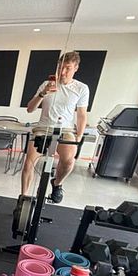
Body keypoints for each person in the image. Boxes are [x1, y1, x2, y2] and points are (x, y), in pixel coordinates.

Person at [20, 51, 88, 204]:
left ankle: (57, 184)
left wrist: (79, 136)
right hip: (43, 128)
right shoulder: (47, 84)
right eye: (60, 68)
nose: (62, 72)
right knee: (28, 164)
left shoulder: (81, 88)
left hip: (66, 130)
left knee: (69, 161)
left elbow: (82, 115)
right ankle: (23, 198)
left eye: (67, 68)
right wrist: (43, 93)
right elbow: (30, 109)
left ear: (75, 68)